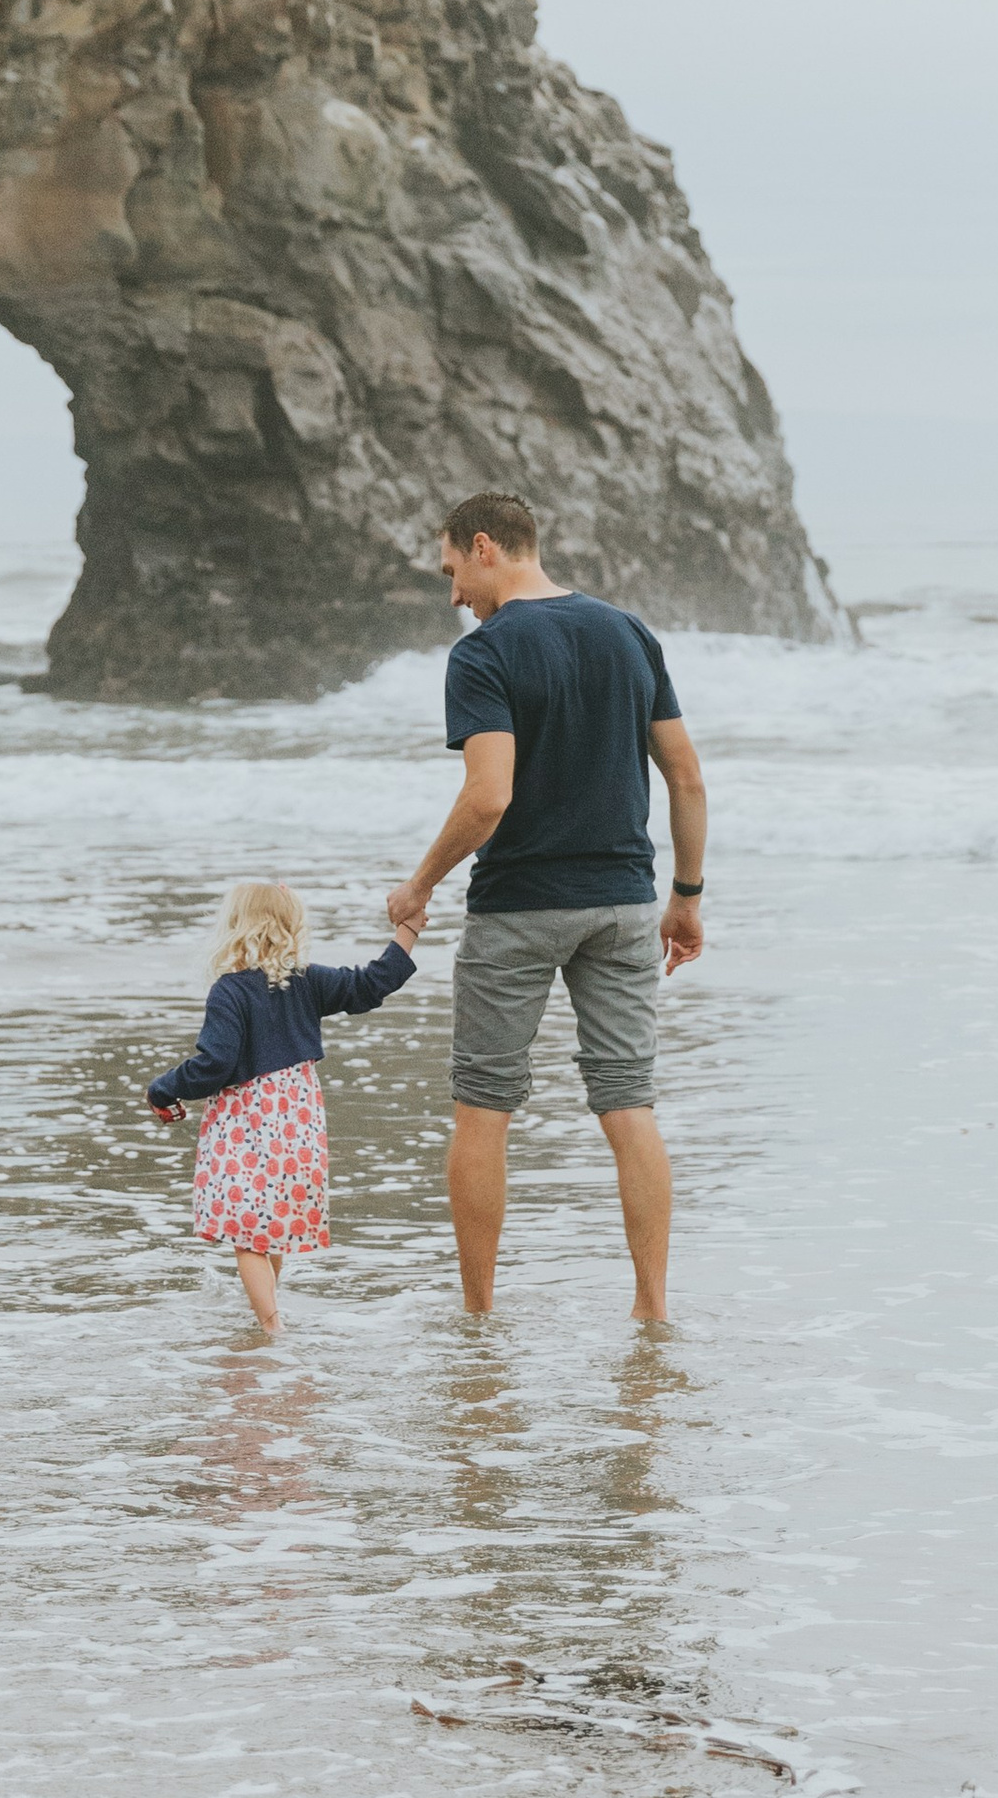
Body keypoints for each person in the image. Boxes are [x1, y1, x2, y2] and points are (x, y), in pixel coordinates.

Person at [385, 492, 707, 1326]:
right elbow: (685, 776)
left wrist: (420, 884)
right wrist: (687, 895)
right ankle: (652, 1309)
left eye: (452, 570)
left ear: (484, 547)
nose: (454, 594)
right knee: (629, 1103)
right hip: (626, 905)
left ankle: (480, 1315)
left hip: (519, 908)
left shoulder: (485, 653)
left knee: (483, 1108)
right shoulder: (629, 633)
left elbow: (490, 796)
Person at [146, 880, 419, 1329]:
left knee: (246, 1235)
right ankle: (266, 1318)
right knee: (268, 1230)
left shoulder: (230, 991)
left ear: (234, 926)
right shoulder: (306, 981)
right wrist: (408, 929)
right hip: (300, 1123)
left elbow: (215, 1065)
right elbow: (371, 984)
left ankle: (272, 1329)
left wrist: (163, 1088)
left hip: (249, 1123)